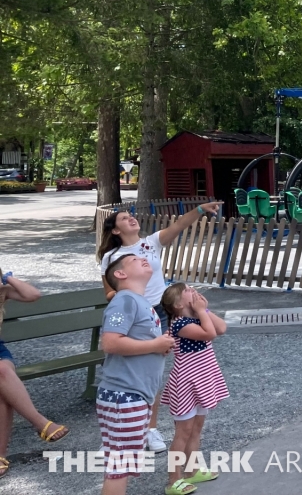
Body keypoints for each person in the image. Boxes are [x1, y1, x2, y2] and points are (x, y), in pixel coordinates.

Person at [97, 201, 222, 453]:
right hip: (134, 313)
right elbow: (109, 292)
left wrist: (199, 210)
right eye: (123, 218)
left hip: (159, 312)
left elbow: (179, 225)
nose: (130, 218)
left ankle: (150, 429)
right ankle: (118, 430)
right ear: (115, 231)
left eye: (131, 215)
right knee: (130, 367)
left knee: (154, 371)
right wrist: (130, 297)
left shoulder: (150, 242)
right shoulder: (111, 258)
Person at [98, 254, 176, 495]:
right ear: (121, 274)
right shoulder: (125, 301)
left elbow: (138, 343)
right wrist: (154, 346)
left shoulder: (140, 302)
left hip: (134, 395)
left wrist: (158, 347)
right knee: (120, 468)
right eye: (133, 259)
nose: (142, 258)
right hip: (124, 395)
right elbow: (110, 342)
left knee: (120, 465)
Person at [160, 283, 229, 495]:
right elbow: (210, 334)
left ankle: (192, 470)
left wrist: (204, 310)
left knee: (196, 429)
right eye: (188, 291)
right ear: (179, 304)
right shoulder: (180, 324)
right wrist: (200, 311)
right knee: (183, 432)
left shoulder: (199, 317)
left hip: (202, 381)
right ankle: (174, 480)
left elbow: (221, 328)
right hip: (187, 384)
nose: (194, 291)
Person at [0, 270, 70, 479]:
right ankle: (40, 423)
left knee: (2, 373)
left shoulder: (2, 292)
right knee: (2, 381)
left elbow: (33, 294)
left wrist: (7, 278)